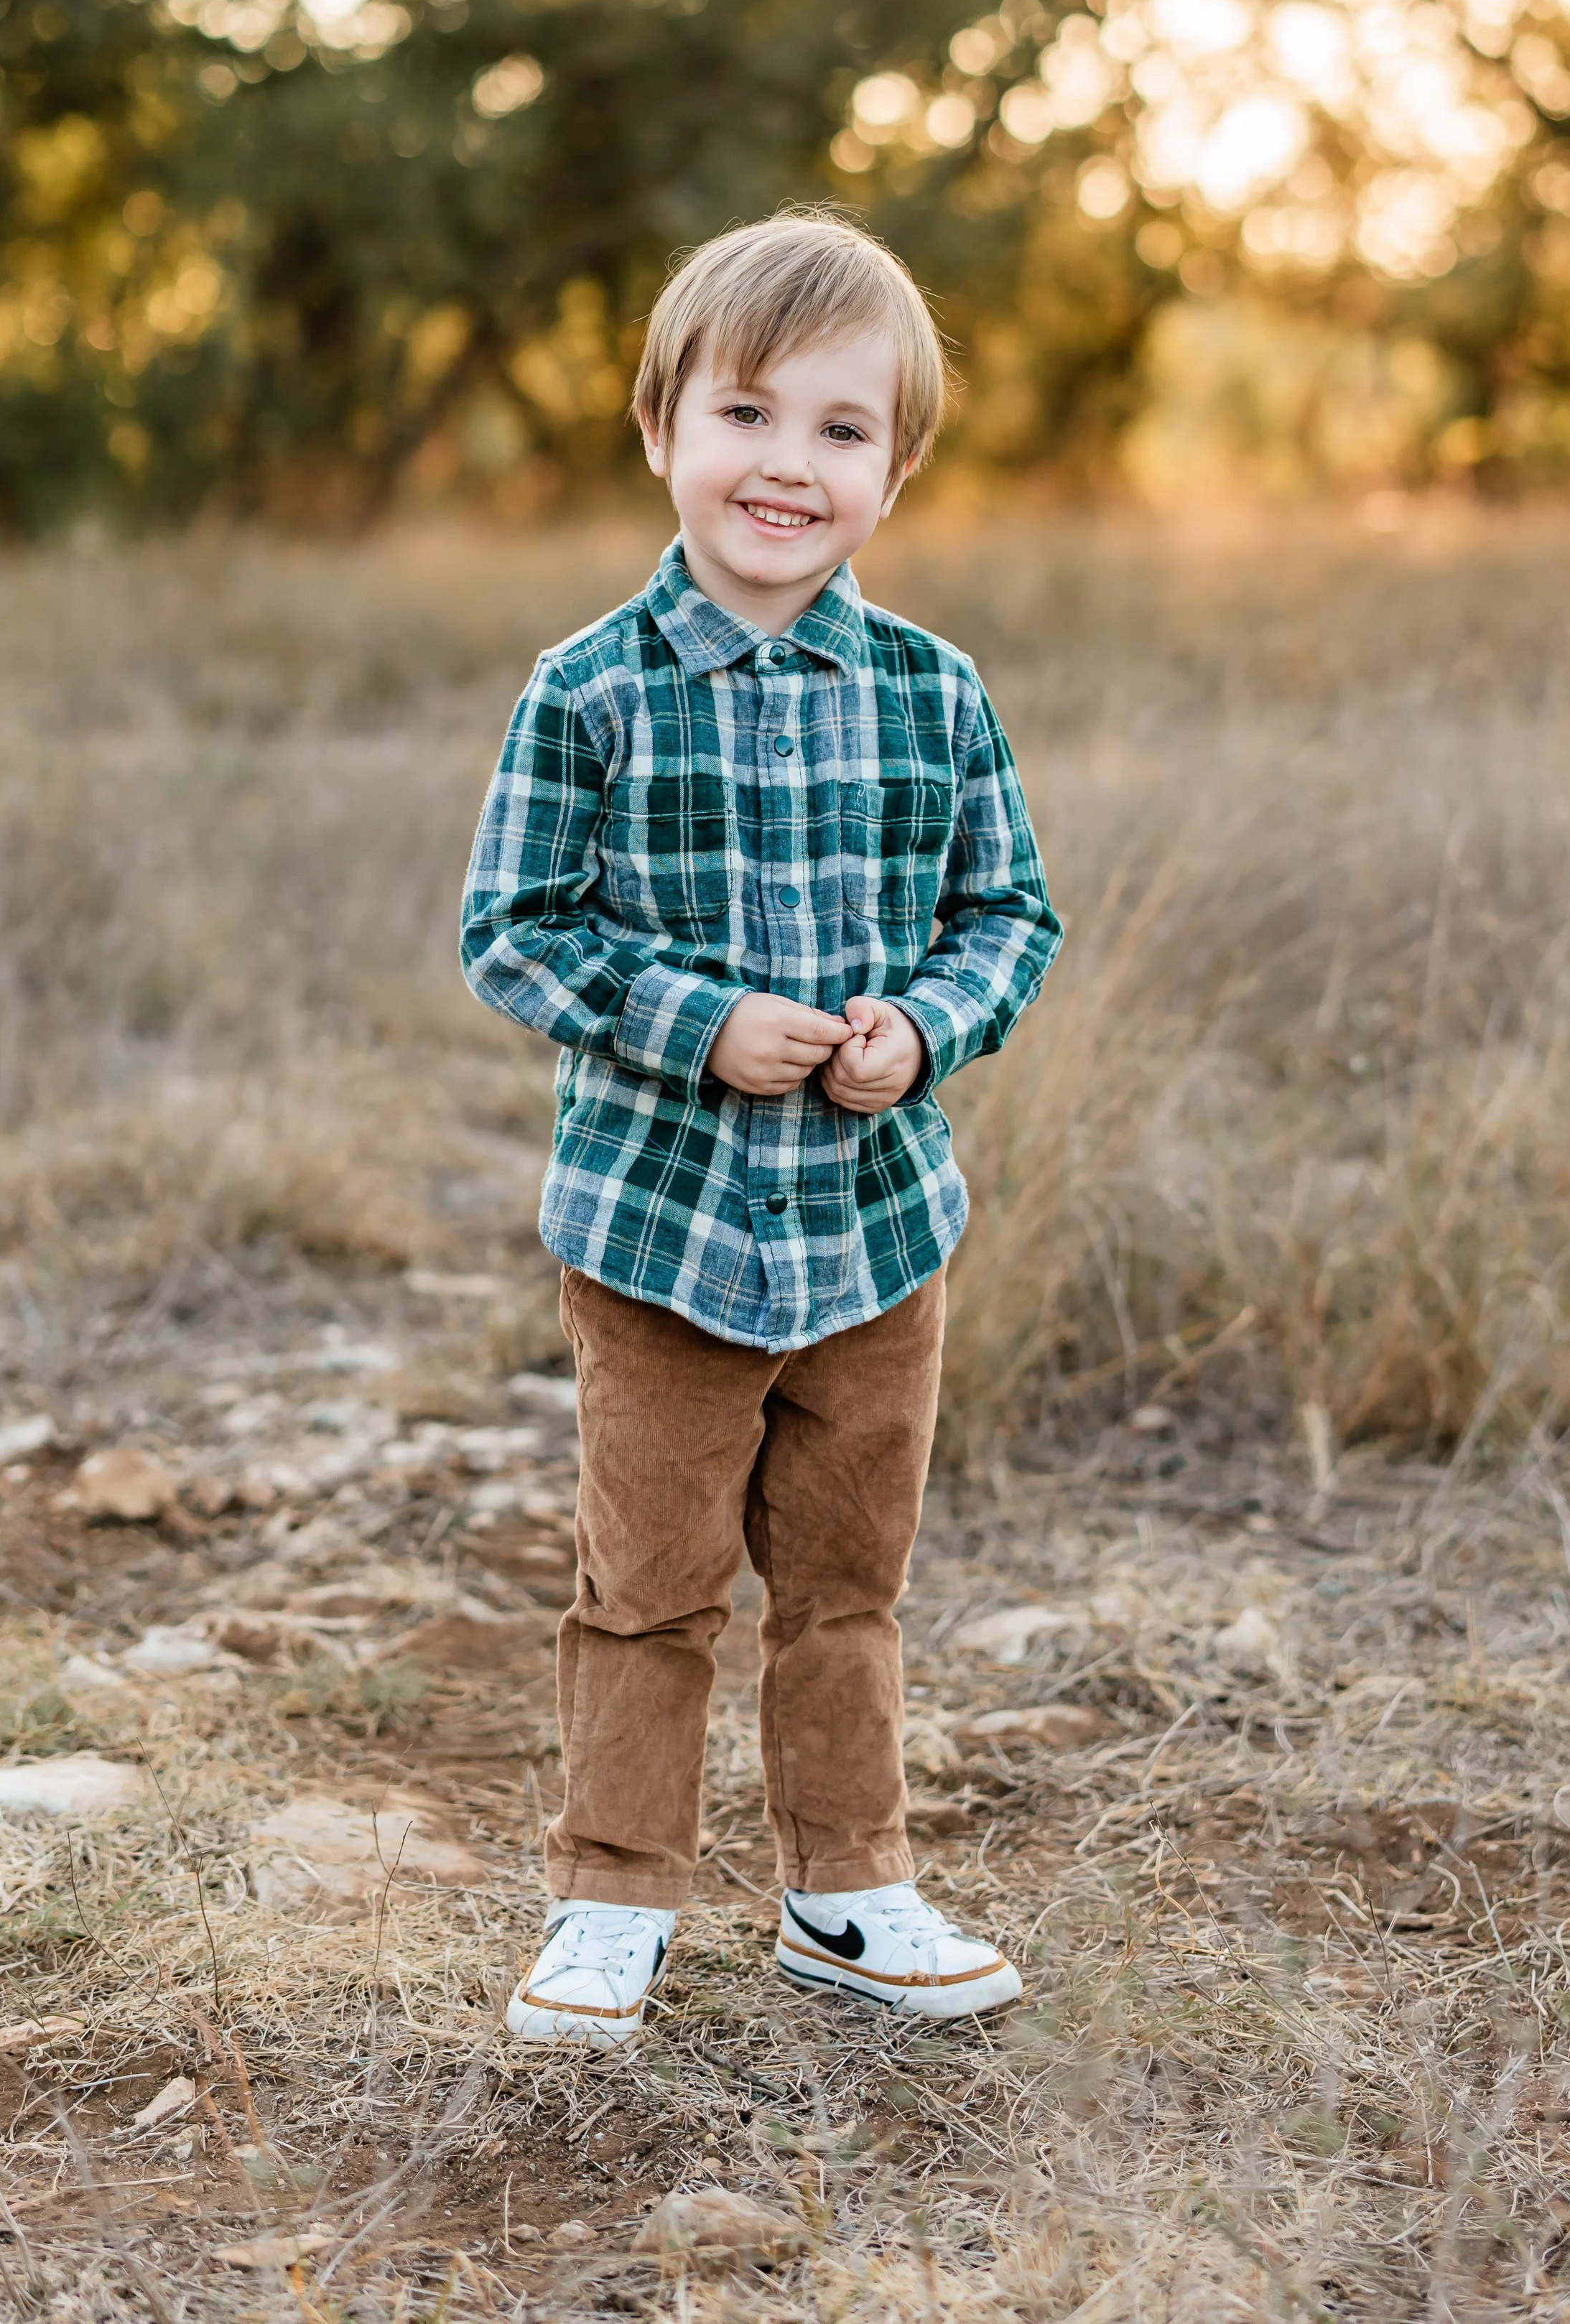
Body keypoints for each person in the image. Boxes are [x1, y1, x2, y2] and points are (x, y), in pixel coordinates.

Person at [460, 208, 1062, 2046]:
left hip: (876, 1232)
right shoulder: (588, 687)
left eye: (839, 430)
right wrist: (695, 1022)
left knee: (846, 1586)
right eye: (744, 414)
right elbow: (510, 929)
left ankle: (847, 1890)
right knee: (645, 1586)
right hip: (661, 1231)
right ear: (661, 431)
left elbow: (1005, 917)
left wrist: (918, 1027)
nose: (786, 465)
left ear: (894, 469)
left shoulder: (931, 693)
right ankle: (612, 1899)